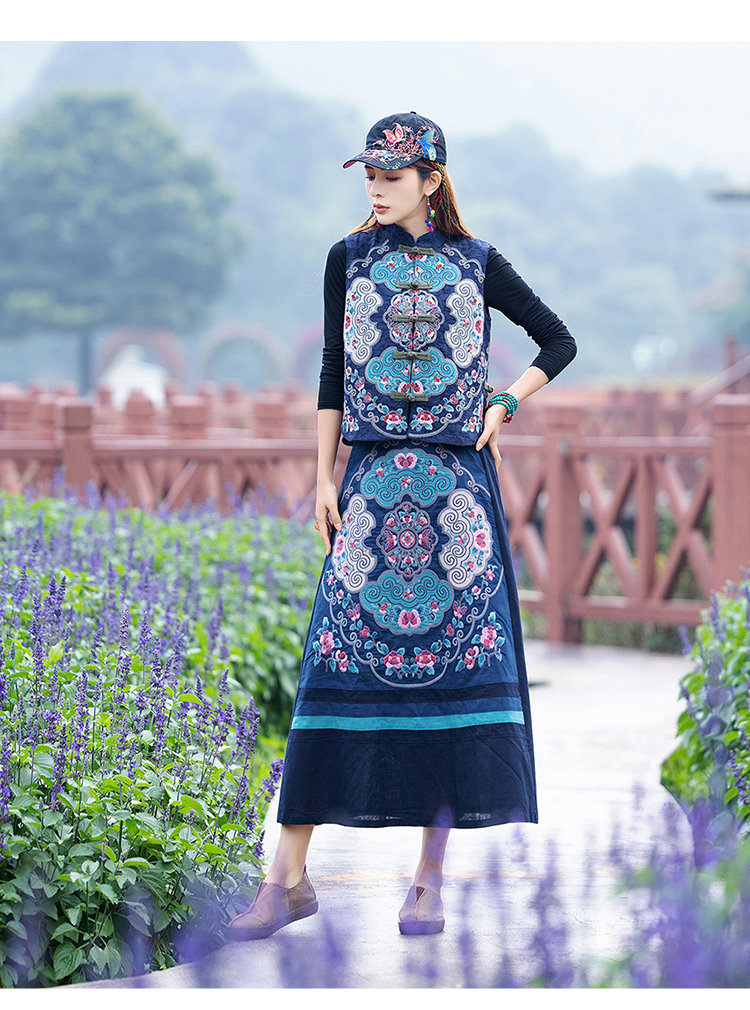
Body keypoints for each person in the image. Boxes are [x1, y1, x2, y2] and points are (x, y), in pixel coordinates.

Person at [226, 111, 577, 941]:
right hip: (370, 487)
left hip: (457, 498)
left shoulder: (478, 262)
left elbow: (557, 341)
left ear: (431, 180)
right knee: (331, 668)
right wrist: (323, 476)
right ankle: (286, 882)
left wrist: (504, 402)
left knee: (448, 678)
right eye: (371, 177)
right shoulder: (346, 259)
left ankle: (428, 881)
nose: (378, 190)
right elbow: (332, 370)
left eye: (393, 177)